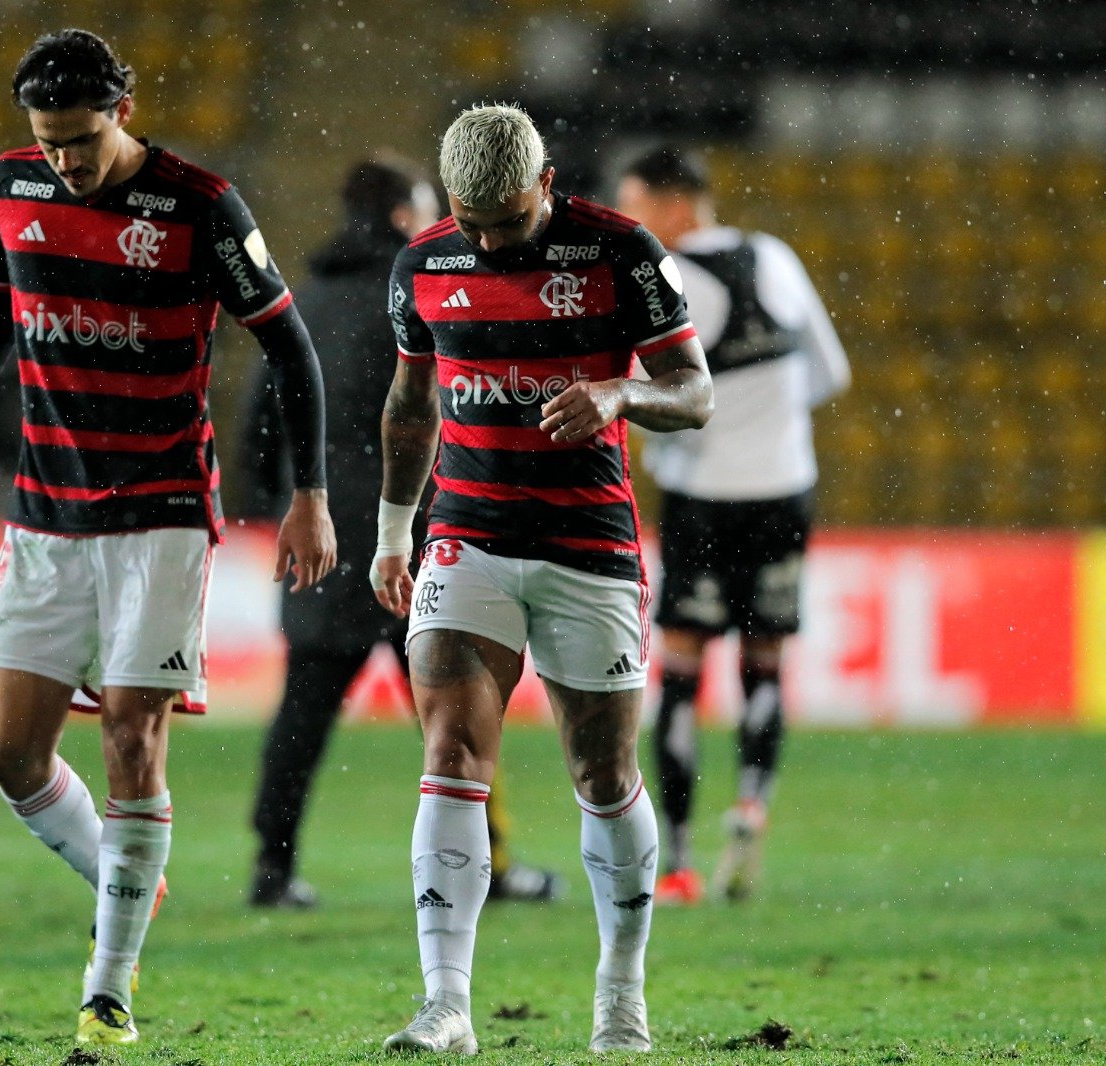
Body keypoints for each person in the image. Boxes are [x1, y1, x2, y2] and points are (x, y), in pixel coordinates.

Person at [0, 29, 336, 1047]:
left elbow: (290, 347)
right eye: (47, 143)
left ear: (122, 112)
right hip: (46, 514)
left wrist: (309, 493)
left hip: (162, 515)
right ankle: (129, 879)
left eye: (80, 141)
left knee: (132, 733)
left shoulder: (197, 205)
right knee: (7, 750)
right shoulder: (11, 190)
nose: (64, 162)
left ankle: (108, 989)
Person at [371, 105, 713, 1056]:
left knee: (602, 774)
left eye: (508, 224)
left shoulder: (623, 252)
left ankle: (619, 991)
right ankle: (445, 1003)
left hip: (587, 545)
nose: (487, 243)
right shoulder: (426, 265)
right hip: (466, 534)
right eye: (471, 222)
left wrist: (620, 392)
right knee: (449, 754)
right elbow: (410, 404)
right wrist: (394, 531)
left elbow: (694, 390)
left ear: (549, 181)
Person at [241, 158, 566, 910]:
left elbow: (260, 420)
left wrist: (283, 502)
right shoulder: (428, 292)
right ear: (399, 218)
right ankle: (495, 866)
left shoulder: (303, 303)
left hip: (324, 533)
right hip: (414, 528)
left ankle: (271, 866)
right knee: (460, 707)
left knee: (303, 712)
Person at [615, 146, 851, 906]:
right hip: (787, 485)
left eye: (637, 205)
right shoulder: (773, 254)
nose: (631, 222)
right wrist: (770, 420)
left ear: (677, 206)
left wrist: (695, 436)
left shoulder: (670, 277)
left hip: (708, 496)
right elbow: (830, 372)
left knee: (681, 669)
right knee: (766, 656)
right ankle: (751, 802)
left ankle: (678, 860)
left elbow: (657, 399)